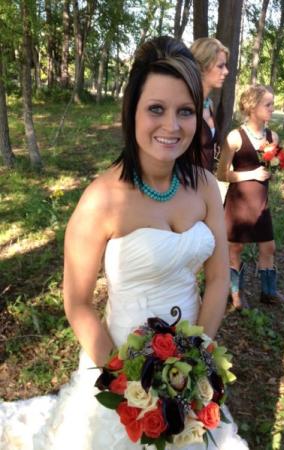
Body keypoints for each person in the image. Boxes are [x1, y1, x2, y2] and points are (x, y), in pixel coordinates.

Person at [0, 37, 248, 450]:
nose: (171, 126)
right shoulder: (101, 198)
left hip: (188, 371)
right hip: (117, 368)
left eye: (185, 111)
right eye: (156, 109)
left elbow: (219, 277)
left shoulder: (205, 185)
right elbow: (78, 302)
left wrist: (194, 364)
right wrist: (126, 381)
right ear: (131, 110)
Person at [217, 84, 284, 310]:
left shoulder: (273, 136)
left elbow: (273, 164)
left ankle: (269, 292)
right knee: (235, 248)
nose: (272, 108)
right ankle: (235, 295)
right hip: (239, 202)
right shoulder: (235, 137)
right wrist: (252, 174)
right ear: (252, 107)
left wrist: (276, 166)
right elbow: (221, 173)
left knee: (268, 247)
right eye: (268, 104)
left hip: (261, 201)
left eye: (272, 104)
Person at [190, 37, 229, 173]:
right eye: (220, 66)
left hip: (204, 185)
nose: (226, 71)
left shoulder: (209, 104)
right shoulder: (185, 105)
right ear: (202, 67)